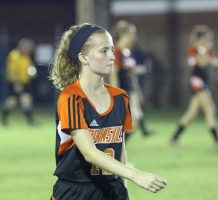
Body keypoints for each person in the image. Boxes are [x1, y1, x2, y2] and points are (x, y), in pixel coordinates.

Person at [49, 23, 166, 200]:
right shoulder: (71, 98)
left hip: (112, 190)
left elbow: (121, 151)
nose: (112, 56)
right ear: (83, 57)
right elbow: (89, 152)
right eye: (104, 51)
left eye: (112, 50)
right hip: (75, 192)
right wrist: (135, 175)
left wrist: (124, 189)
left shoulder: (120, 97)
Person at [170, 25, 218, 149]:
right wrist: (208, 56)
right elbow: (202, 63)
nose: (210, 42)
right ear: (201, 38)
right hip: (197, 83)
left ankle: (174, 138)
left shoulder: (206, 50)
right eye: (208, 39)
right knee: (210, 109)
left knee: (192, 113)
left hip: (204, 83)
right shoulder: (193, 50)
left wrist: (214, 61)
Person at [110, 20, 152, 139]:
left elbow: (131, 74)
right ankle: (115, 148)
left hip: (129, 91)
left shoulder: (127, 52)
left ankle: (117, 149)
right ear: (123, 35)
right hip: (122, 92)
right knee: (130, 123)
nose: (134, 37)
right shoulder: (116, 52)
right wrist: (116, 95)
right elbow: (114, 74)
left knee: (132, 123)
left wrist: (138, 92)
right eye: (131, 34)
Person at [1, 38, 37, 126]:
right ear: (21, 47)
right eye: (27, 48)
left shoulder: (26, 57)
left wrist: (32, 74)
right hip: (16, 82)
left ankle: (3, 121)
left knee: (15, 101)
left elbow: (30, 69)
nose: (29, 50)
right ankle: (30, 122)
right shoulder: (14, 55)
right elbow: (12, 71)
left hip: (24, 82)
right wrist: (17, 84)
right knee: (17, 101)